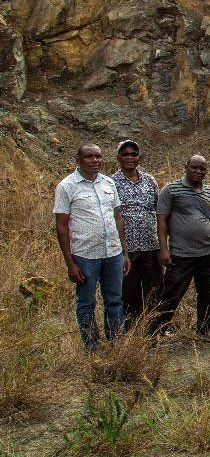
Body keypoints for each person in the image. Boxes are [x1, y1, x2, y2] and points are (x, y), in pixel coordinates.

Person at [54, 144, 131, 351]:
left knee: (114, 301)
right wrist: (70, 263)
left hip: (113, 253)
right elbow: (61, 225)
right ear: (78, 159)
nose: (95, 160)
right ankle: (92, 347)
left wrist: (124, 253)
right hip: (86, 256)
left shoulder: (108, 183)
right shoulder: (66, 186)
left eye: (98, 156)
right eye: (89, 156)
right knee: (86, 303)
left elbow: (117, 218)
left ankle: (116, 345)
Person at [151, 155, 210, 338]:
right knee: (172, 292)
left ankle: (204, 329)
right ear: (186, 167)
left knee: (207, 293)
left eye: (202, 169)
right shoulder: (171, 189)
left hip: (208, 252)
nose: (198, 172)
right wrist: (163, 249)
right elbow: (162, 220)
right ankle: (158, 330)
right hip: (182, 254)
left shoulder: (207, 192)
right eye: (194, 167)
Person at [112, 139, 163, 330]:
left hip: (151, 245)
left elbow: (159, 211)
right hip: (128, 248)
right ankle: (133, 330)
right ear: (118, 158)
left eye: (133, 154)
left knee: (155, 289)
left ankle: (154, 328)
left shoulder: (149, 180)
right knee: (129, 291)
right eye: (125, 154)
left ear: (139, 157)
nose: (129, 157)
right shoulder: (111, 182)